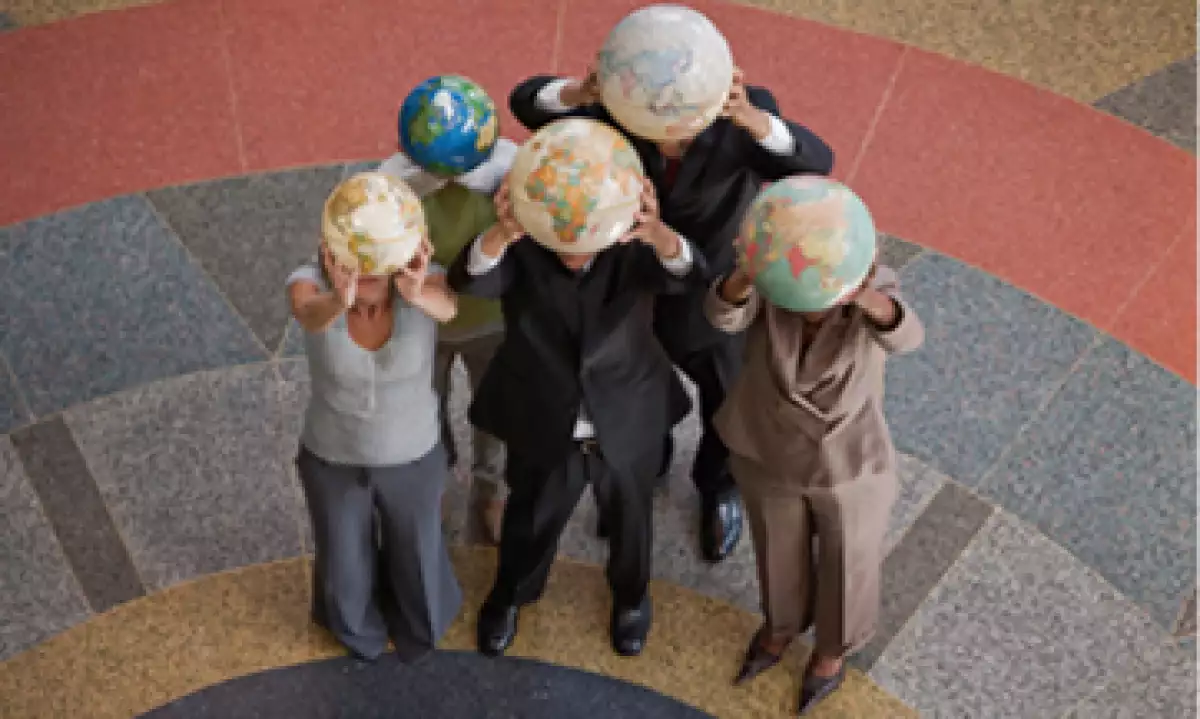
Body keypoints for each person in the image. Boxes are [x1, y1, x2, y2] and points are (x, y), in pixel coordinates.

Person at [507, 66, 835, 562]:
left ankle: (716, 486)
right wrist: (578, 90)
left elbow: (815, 159)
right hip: (630, 291)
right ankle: (649, 459)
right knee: (634, 381)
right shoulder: (619, 108)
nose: (666, 127)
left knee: (725, 396)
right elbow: (527, 103)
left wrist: (752, 118)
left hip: (713, 290)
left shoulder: (740, 118)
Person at [448, 179, 708, 658]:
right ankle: (511, 596)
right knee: (530, 520)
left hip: (627, 415)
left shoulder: (633, 250)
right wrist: (501, 235)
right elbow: (469, 276)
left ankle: (630, 599)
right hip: (546, 419)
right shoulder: (522, 252)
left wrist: (662, 236)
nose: (573, 245)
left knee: (632, 520)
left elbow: (690, 273)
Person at [705, 260, 924, 714]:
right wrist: (746, 275)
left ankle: (831, 652)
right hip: (768, 447)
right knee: (777, 550)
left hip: (848, 460)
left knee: (848, 558)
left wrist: (859, 295)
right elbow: (722, 315)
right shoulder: (772, 282)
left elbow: (907, 336)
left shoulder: (870, 291)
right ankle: (780, 629)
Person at [286, 238, 462, 662]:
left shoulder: (423, 279)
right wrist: (339, 300)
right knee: (344, 556)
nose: (365, 270)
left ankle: (420, 626)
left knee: (418, 549)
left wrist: (416, 291)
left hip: (414, 454)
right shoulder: (310, 282)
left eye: (377, 258)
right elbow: (308, 316)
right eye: (354, 257)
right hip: (332, 457)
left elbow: (449, 308)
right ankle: (356, 630)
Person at [379, 89, 517, 545]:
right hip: (423, 326)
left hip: (492, 320)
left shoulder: (509, 176)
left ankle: (491, 490)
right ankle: (437, 480)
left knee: (495, 413)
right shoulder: (392, 186)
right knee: (426, 409)